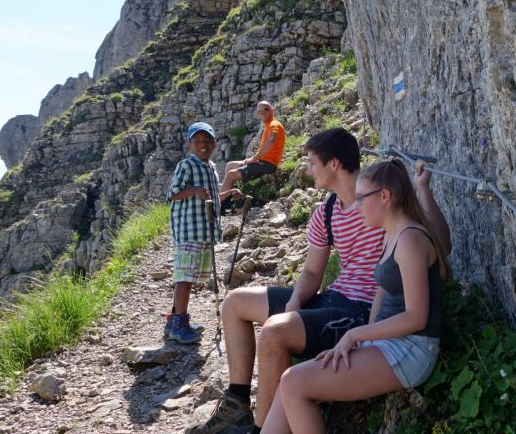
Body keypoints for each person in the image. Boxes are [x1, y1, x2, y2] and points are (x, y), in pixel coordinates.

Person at [186, 128, 449, 434]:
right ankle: (238, 405)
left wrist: (358, 335)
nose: (308, 170)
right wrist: (296, 304)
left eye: (312, 162)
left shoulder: (389, 218)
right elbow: (314, 273)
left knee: (278, 344)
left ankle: (257, 425)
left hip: (368, 320)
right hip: (342, 305)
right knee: (237, 305)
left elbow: (436, 245)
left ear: (333, 164)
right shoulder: (331, 214)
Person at [261, 158, 451, 434]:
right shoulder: (391, 233)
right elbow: (381, 292)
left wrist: (354, 335)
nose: (356, 206)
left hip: (411, 349)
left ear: (384, 196)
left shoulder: (409, 239)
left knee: (294, 383)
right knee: (287, 384)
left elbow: (416, 317)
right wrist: (366, 339)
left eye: (362, 199)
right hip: (385, 342)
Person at [165, 122, 239, 344]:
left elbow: (212, 196)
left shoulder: (211, 167)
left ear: (214, 143)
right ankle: (179, 325)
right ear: (190, 144)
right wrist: (194, 190)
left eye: (207, 141)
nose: (202, 145)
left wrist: (228, 192)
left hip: (204, 231)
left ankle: (173, 321)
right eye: (197, 141)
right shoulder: (186, 165)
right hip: (189, 230)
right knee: (185, 277)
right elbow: (172, 194)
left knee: (190, 275)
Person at [220, 101, 285, 213]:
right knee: (230, 165)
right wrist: (253, 159)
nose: (261, 114)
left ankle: (219, 207)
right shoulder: (268, 124)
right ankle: (228, 201)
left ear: (271, 111)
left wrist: (255, 157)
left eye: (264, 110)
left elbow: (271, 140)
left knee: (231, 175)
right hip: (262, 161)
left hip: (267, 164)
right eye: (259, 112)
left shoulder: (274, 124)